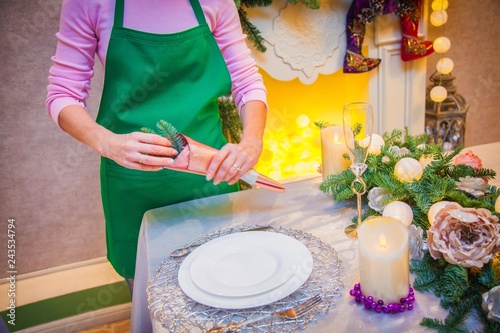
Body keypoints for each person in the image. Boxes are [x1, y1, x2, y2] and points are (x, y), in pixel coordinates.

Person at [46, 0, 267, 290]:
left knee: (224, 290)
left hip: (211, 178)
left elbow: (247, 82)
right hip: (134, 187)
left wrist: (251, 142)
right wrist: (109, 143)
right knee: (152, 301)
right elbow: (63, 94)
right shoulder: (89, 3)